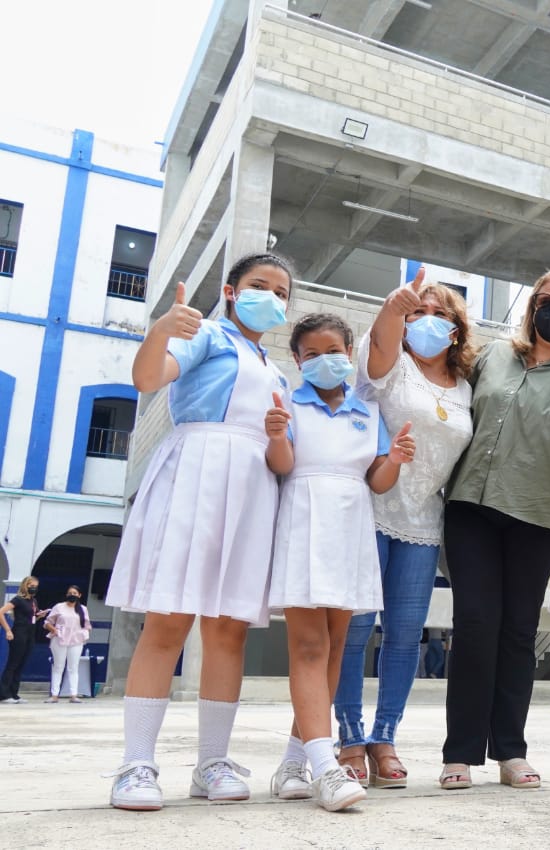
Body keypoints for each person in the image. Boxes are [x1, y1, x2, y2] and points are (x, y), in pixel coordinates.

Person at [104, 253, 294, 811]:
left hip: (252, 488)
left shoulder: (279, 371)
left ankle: (212, 761)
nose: (272, 297)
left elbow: (282, 457)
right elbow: (147, 378)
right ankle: (135, 764)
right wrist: (163, 329)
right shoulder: (206, 335)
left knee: (228, 630)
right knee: (167, 621)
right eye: (260, 285)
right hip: (196, 473)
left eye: (282, 292)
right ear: (232, 292)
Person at [441, 268, 550, 790]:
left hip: (537, 515)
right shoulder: (494, 355)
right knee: (474, 623)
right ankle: (460, 753)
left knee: (518, 631)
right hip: (472, 504)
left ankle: (511, 751)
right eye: (545, 300)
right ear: (531, 307)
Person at [266, 313, 417, 811]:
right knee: (308, 646)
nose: (322, 360)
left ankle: (293, 760)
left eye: (333, 350)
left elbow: (378, 481)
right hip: (305, 521)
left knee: (333, 649)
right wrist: (275, 436)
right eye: (311, 354)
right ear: (297, 360)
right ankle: (326, 766)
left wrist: (394, 457)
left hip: (352, 528)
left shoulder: (367, 411)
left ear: (350, 351)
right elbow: (282, 465)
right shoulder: (288, 403)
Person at [335, 271, 474, 789]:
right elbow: (379, 344)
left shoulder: (465, 388)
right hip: (371, 508)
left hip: (424, 521)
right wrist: (395, 309)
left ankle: (384, 738)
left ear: (457, 331)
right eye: (420, 312)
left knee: (405, 637)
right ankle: (348, 737)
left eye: (441, 315)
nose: (429, 322)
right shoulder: (390, 368)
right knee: (353, 629)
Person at [1, 577, 48, 704]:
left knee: (21, 664)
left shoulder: (33, 601)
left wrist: (40, 616)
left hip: (30, 634)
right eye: (30, 585)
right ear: (25, 585)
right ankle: (4, 694)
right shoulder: (18, 599)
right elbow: (1, 612)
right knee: (13, 664)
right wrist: (8, 630)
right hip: (19, 633)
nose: (33, 588)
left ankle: (14, 693)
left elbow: (32, 618)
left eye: (35, 586)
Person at [44, 585, 92, 703]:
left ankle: (73, 695)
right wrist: (55, 630)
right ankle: (55, 695)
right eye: (70, 593)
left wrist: (83, 634)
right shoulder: (59, 607)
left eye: (75, 593)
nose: (72, 595)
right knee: (58, 667)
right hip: (59, 639)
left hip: (76, 641)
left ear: (79, 595)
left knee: (73, 667)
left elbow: (87, 625)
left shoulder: (83, 609)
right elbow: (47, 623)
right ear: (66, 595)